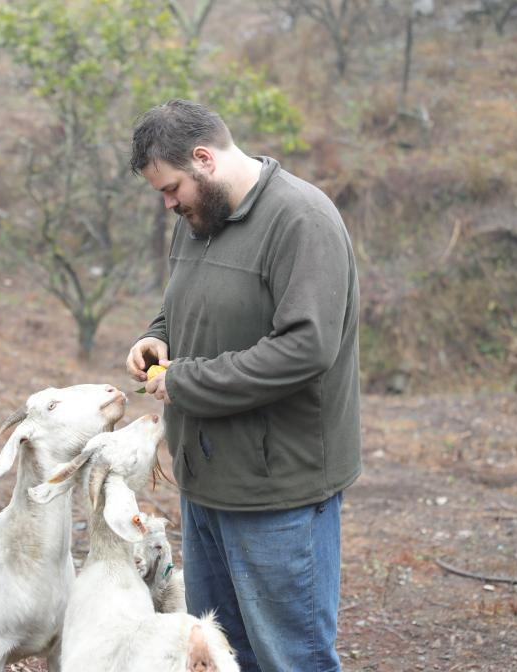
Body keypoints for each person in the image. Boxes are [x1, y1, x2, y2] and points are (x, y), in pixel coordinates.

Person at [125, 99, 361, 672]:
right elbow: (187, 302)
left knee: (292, 658)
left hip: (276, 489)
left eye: (172, 187)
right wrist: (157, 338)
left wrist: (188, 382)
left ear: (204, 159)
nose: (168, 203)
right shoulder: (197, 218)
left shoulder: (301, 220)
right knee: (225, 656)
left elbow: (306, 349)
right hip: (206, 482)